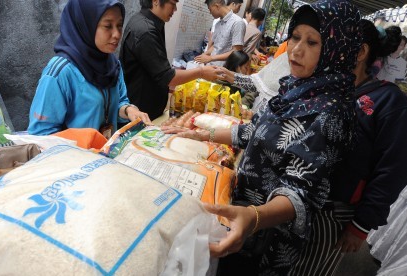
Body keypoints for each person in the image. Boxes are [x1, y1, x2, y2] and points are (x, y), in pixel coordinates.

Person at [163, 0, 361, 274]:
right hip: (244, 215)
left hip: (268, 234)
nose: (296, 49)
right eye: (295, 37)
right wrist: (200, 135)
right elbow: (252, 132)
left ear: (336, 50)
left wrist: (254, 217)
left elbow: (299, 192)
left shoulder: (331, 112)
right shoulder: (296, 87)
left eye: (312, 42)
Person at [290, 19, 407, 276]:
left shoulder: (389, 101)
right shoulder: (325, 86)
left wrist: (361, 225)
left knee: (309, 270)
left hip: (335, 212)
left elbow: (393, 169)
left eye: (332, 44)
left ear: (361, 52)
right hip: (295, 199)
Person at [28, 0, 151, 138]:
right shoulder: (61, 73)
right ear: (86, 25)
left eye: (119, 25)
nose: (116, 34)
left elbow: (118, 104)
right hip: (73, 157)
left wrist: (129, 110)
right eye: (107, 26)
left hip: (105, 154)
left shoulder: (112, 65)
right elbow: (40, 133)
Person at [120, 0, 222, 120]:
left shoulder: (152, 22)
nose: (175, 9)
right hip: (140, 110)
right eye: (172, 4)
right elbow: (167, 77)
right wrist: (201, 72)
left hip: (148, 107)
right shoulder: (145, 31)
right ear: (156, 1)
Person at [194, 0, 246, 66]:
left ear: (217, 6)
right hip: (211, 66)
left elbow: (237, 51)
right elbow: (216, 45)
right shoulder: (218, 23)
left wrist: (211, 58)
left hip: (223, 68)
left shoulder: (237, 22)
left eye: (210, 9)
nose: (210, 12)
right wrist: (205, 54)